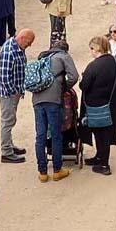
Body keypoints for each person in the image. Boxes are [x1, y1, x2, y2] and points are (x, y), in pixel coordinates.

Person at [31, 39, 78, 183]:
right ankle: (57, 170)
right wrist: (63, 88)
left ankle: (43, 173)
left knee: (40, 135)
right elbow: (74, 76)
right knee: (56, 135)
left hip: (37, 99)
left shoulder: (42, 56)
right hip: (53, 100)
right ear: (65, 49)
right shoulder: (64, 56)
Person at [80, 35, 116, 176]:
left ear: (97, 48)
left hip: (97, 107)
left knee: (100, 134)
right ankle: (99, 157)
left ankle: (104, 164)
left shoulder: (94, 66)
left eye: (92, 48)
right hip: (114, 104)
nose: (91, 52)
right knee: (105, 134)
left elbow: (84, 85)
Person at [0, 28, 34, 164]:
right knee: (8, 121)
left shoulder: (18, 47)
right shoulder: (9, 52)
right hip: (8, 94)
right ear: (22, 38)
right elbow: (4, 78)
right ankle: (6, 152)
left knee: (10, 119)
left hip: (13, 92)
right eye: (28, 43)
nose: (28, 46)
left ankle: (10, 146)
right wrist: (14, 92)